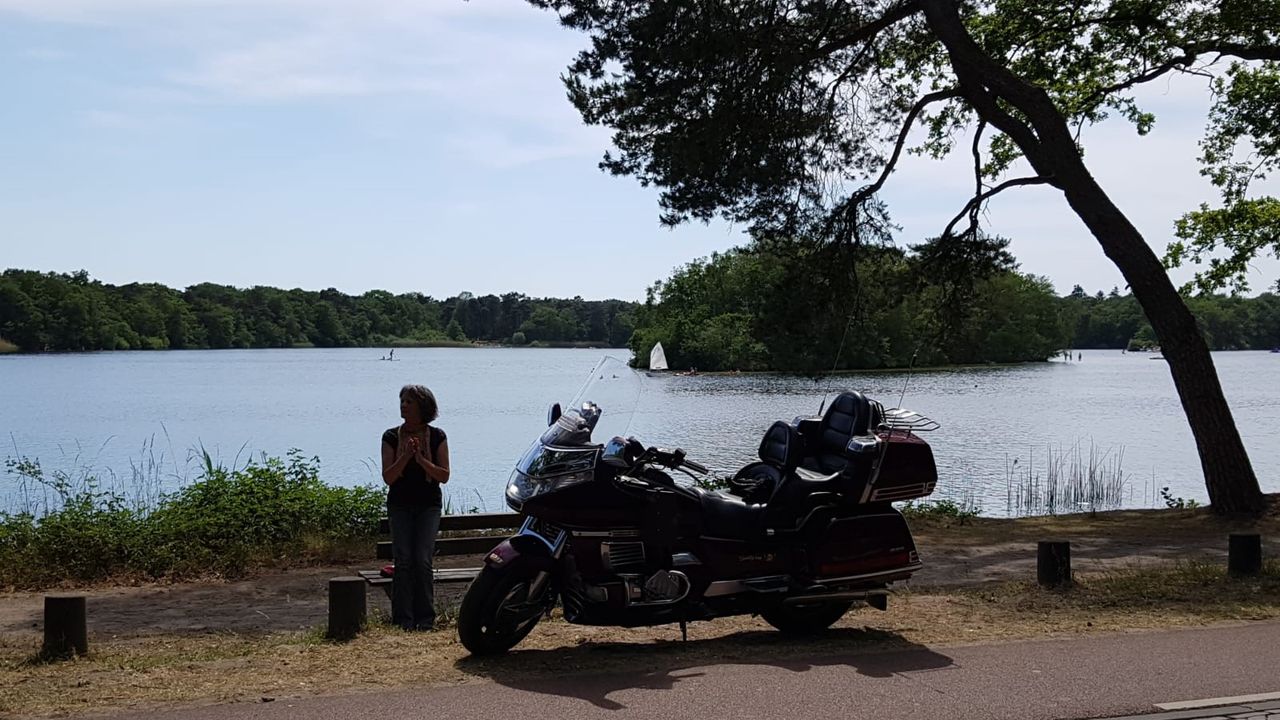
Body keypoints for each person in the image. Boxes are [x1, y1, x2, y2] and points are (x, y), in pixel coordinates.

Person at [381, 384, 450, 631]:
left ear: (423, 406)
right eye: (402, 401)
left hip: (428, 506)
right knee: (403, 561)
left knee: (422, 560)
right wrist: (405, 457)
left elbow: (444, 475)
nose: (404, 406)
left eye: (409, 402)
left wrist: (421, 460)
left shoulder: (438, 436)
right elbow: (389, 477)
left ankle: (425, 619)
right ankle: (403, 619)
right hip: (400, 505)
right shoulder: (390, 437)